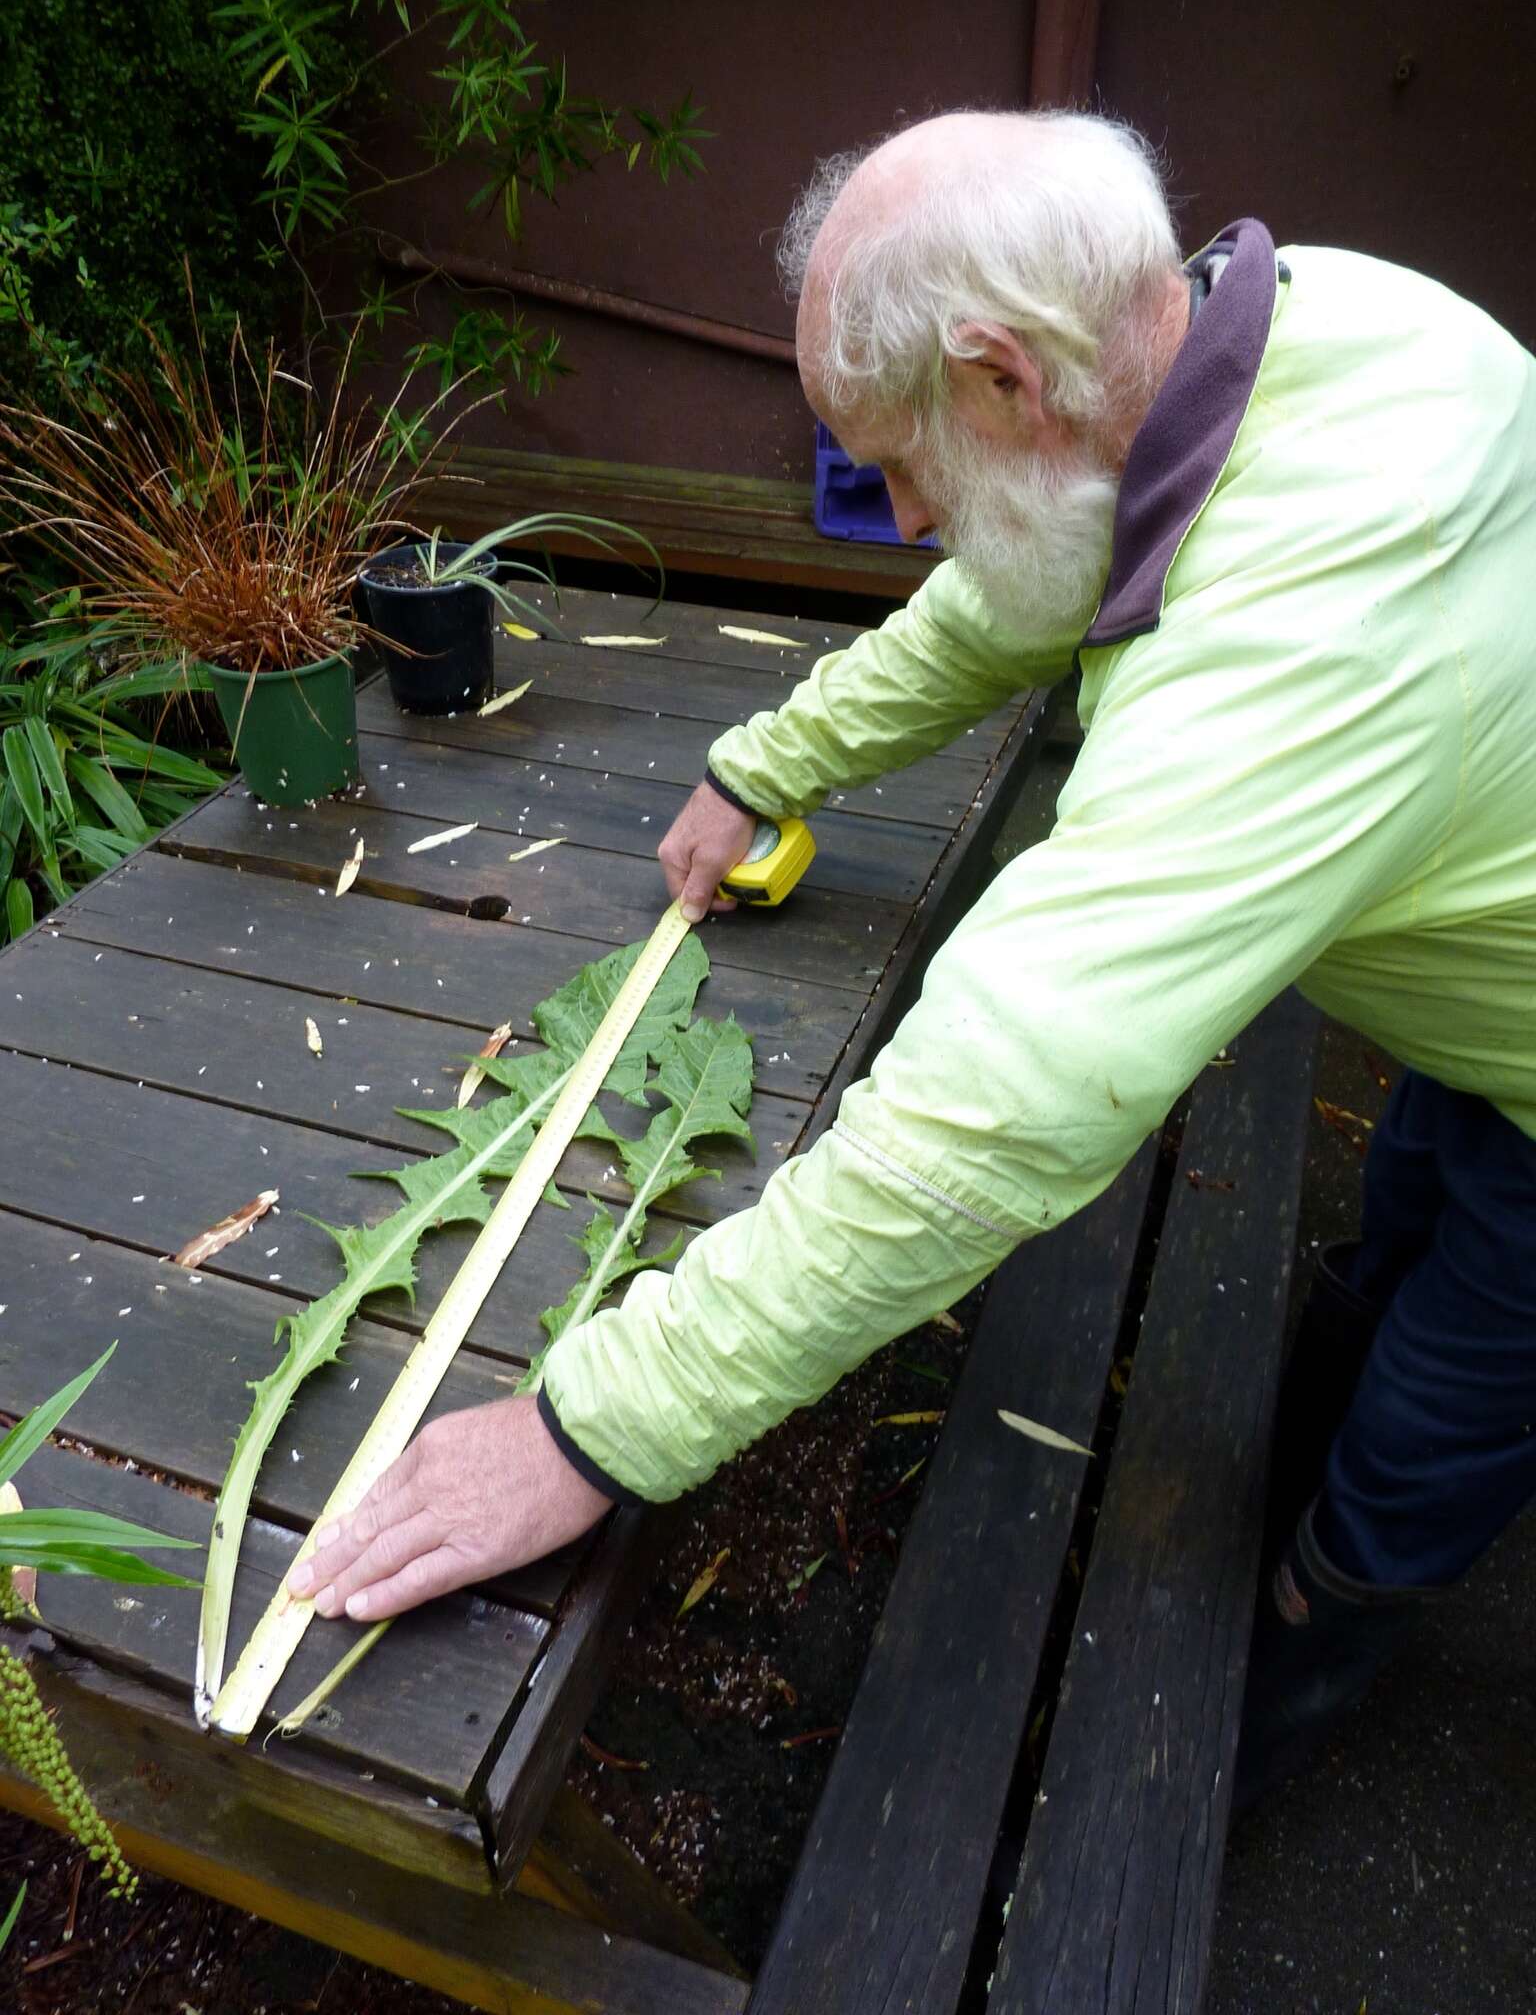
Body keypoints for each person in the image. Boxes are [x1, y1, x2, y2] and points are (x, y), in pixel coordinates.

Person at [287, 110, 1536, 1798]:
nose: (898, 515)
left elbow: (1001, 1107)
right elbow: (1009, 595)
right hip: (1478, 986)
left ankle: (1262, 1694)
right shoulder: (1270, 334)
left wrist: (593, 1422)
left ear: (1009, 377)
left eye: (901, 465)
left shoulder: (1312, 634)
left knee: (1432, 1428)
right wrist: (767, 763)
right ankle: (1296, 1467)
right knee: (1400, 1247)